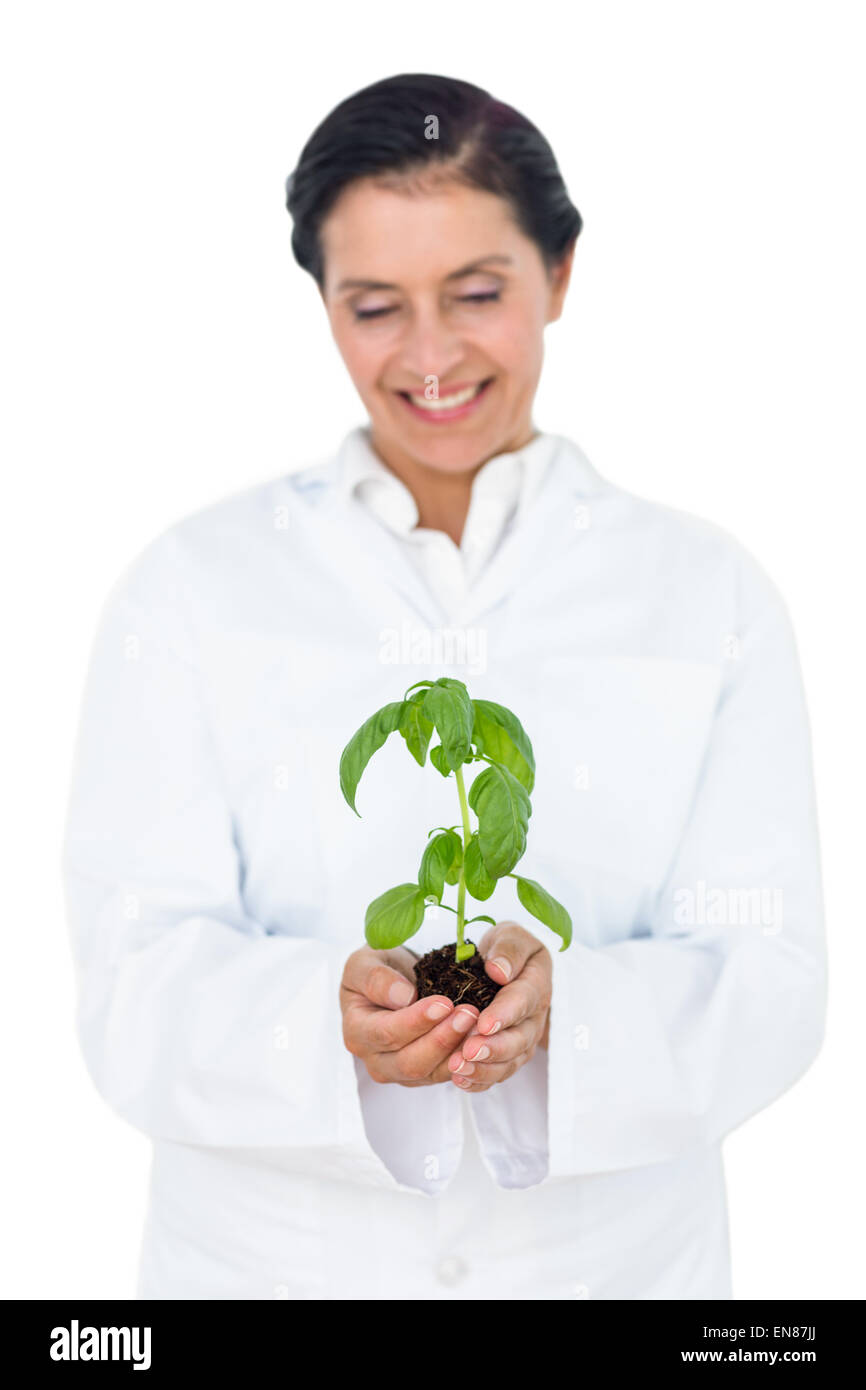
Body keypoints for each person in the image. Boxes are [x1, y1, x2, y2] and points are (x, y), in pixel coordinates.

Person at [62, 73, 826, 1300]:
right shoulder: (188, 587)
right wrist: (333, 1023)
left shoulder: (706, 592)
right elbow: (130, 976)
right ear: (320, 303)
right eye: (373, 307)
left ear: (559, 275)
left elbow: (768, 976)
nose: (428, 358)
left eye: (477, 294)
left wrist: (565, 1018)